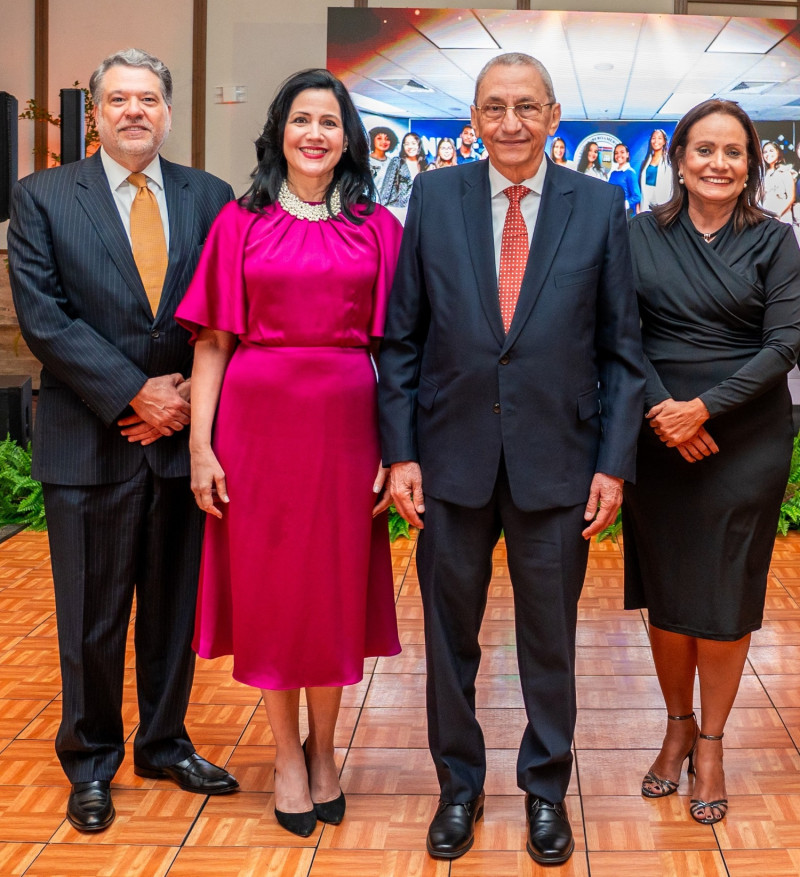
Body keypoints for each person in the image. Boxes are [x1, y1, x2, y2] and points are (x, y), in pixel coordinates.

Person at [379, 52, 644, 865]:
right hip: (450, 462)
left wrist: (613, 463)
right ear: (474, 121)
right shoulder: (433, 196)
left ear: (554, 116)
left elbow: (622, 350)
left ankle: (544, 791)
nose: (511, 122)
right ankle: (458, 787)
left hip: (558, 466)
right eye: (494, 107)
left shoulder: (600, 207)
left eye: (527, 107)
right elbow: (402, 339)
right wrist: (401, 454)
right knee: (450, 642)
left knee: (549, 644)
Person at [6, 48, 239, 833]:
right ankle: (92, 758)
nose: (134, 110)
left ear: (167, 111)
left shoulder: (210, 196)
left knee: (173, 609)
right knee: (90, 615)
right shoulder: (40, 197)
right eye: (118, 100)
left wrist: (177, 404)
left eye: (148, 98)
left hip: (182, 441)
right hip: (90, 439)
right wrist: (133, 394)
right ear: (96, 113)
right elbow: (45, 318)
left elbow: (226, 312)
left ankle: (164, 741)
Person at [175, 68, 402, 839]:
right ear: (278, 131)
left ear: (349, 138)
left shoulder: (377, 225)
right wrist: (202, 446)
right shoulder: (241, 221)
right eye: (301, 119)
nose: (315, 134)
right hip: (255, 422)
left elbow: (402, 351)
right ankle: (286, 755)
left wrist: (398, 448)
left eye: (330, 122)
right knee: (272, 592)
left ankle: (326, 748)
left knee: (334, 590)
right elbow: (211, 340)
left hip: (347, 426)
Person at [623, 100, 800, 826]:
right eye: (705, 150)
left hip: (746, 438)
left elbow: (785, 343)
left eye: (734, 152)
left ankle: (716, 742)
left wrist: (705, 409)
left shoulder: (775, 241)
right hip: (657, 431)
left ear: (752, 164)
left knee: (725, 597)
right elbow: (618, 330)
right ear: (678, 159)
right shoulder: (636, 234)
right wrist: (667, 410)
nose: (719, 163)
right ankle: (676, 727)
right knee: (669, 592)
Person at [381, 131, 427, 210]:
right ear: (403, 146)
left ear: (418, 145)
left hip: (417, 209)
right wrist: (382, 208)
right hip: (397, 208)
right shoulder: (397, 162)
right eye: (407, 144)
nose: (410, 147)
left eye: (413, 143)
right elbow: (387, 187)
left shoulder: (424, 164)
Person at [639, 128, 672, 212]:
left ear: (664, 142)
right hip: (646, 203)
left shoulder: (669, 162)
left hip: (663, 203)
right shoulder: (645, 161)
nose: (656, 141)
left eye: (659, 138)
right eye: (653, 138)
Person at [761, 140, 795, 222]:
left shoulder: (784, 171)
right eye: (765, 152)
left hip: (782, 216)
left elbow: (791, 197)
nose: (768, 154)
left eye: (771, 151)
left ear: (778, 153)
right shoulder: (763, 174)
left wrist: (778, 215)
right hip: (766, 215)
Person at [608, 142, 641, 219]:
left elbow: (637, 196)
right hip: (613, 211)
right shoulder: (613, 173)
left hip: (625, 214)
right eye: (616, 153)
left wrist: (624, 204)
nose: (619, 155)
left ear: (627, 154)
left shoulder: (630, 173)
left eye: (622, 152)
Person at [368, 125, 397, 198]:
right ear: (372, 140)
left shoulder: (392, 163)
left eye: (387, 139)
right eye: (379, 138)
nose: (383, 141)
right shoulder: (365, 161)